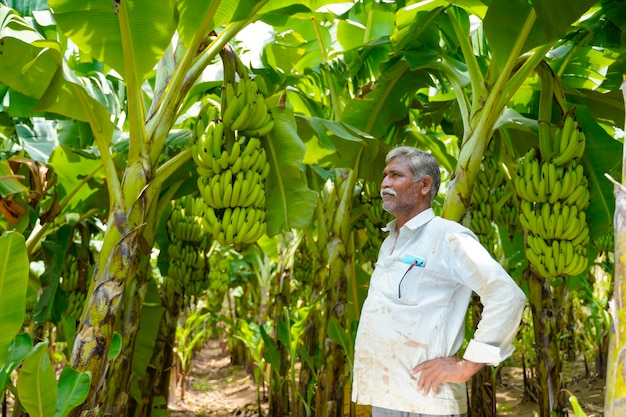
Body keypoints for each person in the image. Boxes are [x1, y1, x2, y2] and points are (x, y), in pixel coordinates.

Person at [351, 146, 526, 417]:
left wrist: (466, 365)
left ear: (424, 185)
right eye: (385, 175)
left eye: (396, 175)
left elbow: (507, 295)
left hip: (426, 401)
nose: (385, 182)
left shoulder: (448, 238)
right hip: (387, 398)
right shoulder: (390, 242)